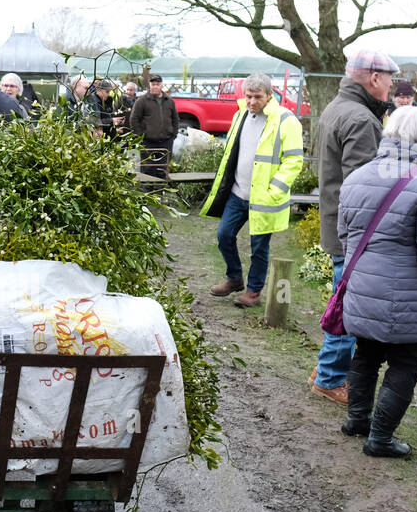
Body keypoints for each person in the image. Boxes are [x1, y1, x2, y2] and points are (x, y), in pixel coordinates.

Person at [337, 106, 417, 458]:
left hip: (361, 288)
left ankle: (358, 420)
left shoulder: (356, 177)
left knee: (366, 355)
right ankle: (381, 438)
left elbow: (345, 236)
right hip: (405, 295)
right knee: (405, 364)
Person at [310, 48, 398, 405]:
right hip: (354, 235)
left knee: (340, 299)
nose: (392, 85)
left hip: (338, 226)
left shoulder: (338, 107)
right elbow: (364, 189)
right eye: (390, 78)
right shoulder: (361, 119)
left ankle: (324, 369)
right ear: (375, 78)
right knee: (348, 307)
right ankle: (330, 378)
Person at [199, 73, 304, 308]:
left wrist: (274, 190)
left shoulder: (286, 120)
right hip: (238, 194)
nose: (252, 102)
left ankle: (253, 292)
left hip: (264, 198)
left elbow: (294, 160)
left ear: (270, 95)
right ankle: (234, 278)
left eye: (258, 97)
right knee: (224, 235)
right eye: (248, 96)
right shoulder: (240, 115)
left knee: (259, 248)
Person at [129, 74, 178, 179]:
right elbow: (134, 119)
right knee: (147, 169)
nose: (155, 86)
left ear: (162, 85)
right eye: (153, 84)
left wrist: (173, 134)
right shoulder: (141, 101)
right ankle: (148, 192)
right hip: (148, 142)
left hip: (166, 141)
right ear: (149, 85)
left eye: (158, 84)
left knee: (163, 170)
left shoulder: (169, 101)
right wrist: (140, 136)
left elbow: (175, 119)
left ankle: (160, 192)